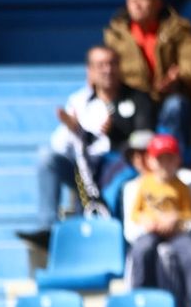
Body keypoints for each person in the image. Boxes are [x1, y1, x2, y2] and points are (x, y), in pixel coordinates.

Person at [20, 45, 155, 247]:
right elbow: (59, 146)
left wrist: (116, 134)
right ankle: (48, 229)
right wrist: (72, 129)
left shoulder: (138, 99)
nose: (107, 70)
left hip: (121, 169)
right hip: (84, 170)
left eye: (112, 64)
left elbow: (145, 139)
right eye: (101, 65)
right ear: (90, 71)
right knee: (46, 157)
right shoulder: (79, 101)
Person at [123, 133, 191, 307]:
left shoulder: (182, 186)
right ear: (151, 161)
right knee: (141, 251)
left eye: (170, 159)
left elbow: (190, 214)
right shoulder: (143, 184)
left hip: (176, 234)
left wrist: (176, 219)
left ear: (178, 160)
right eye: (160, 159)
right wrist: (147, 221)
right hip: (151, 232)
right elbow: (135, 214)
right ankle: (140, 299)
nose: (165, 164)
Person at [103, 0, 191, 150]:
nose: (136, 4)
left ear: (157, 2)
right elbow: (104, 68)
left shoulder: (177, 29)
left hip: (166, 100)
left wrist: (178, 76)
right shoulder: (116, 34)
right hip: (133, 103)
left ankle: (171, 156)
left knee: (176, 105)